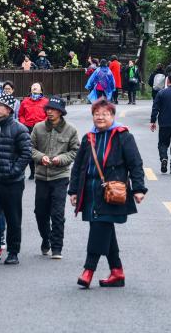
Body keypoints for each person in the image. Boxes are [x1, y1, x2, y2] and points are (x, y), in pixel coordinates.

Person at [69, 98, 146, 288]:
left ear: (112, 116)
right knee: (104, 229)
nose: (100, 117)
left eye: (105, 114)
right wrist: (73, 190)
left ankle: (88, 270)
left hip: (112, 192)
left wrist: (138, 188)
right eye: (97, 114)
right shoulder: (88, 138)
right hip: (90, 191)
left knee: (99, 227)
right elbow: (78, 166)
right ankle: (117, 272)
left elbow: (135, 163)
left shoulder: (123, 136)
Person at [0, 94, 32, 266]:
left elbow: (26, 154)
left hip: (12, 182)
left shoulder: (20, 129)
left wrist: (14, 171)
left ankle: (13, 252)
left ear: (9, 109)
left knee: (13, 218)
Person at [31, 97, 79, 259]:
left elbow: (75, 151)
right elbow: (29, 148)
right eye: (48, 109)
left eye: (54, 109)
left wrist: (61, 159)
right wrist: (41, 157)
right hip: (41, 176)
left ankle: (57, 247)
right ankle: (46, 238)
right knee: (40, 212)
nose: (50, 111)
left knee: (57, 213)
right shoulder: (38, 128)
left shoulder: (70, 130)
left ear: (61, 112)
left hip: (60, 176)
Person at [19, 82, 48, 180]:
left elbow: (48, 114)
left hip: (42, 128)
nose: (35, 87)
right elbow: (21, 115)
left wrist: (44, 123)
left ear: (41, 90)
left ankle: (42, 171)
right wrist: (24, 123)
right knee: (30, 150)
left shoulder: (45, 101)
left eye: (37, 86)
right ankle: (32, 171)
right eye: (33, 86)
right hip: (28, 128)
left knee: (41, 149)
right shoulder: (25, 101)